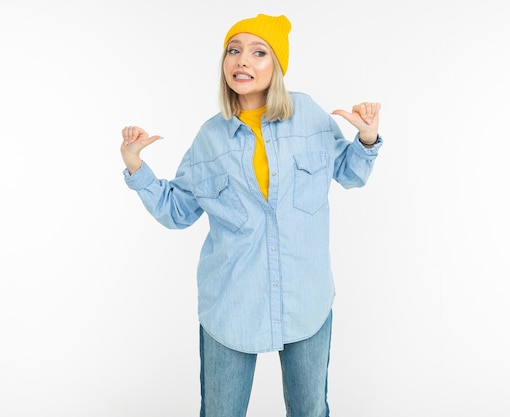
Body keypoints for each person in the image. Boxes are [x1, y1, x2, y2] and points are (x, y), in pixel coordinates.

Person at [120, 13, 382, 417]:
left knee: (311, 410)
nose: (242, 60)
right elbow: (178, 211)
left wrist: (365, 138)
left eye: (258, 52)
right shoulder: (210, 138)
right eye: (234, 50)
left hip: (306, 299)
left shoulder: (309, 115)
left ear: (277, 65)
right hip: (231, 305)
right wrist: (136, 166)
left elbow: (349, 173)